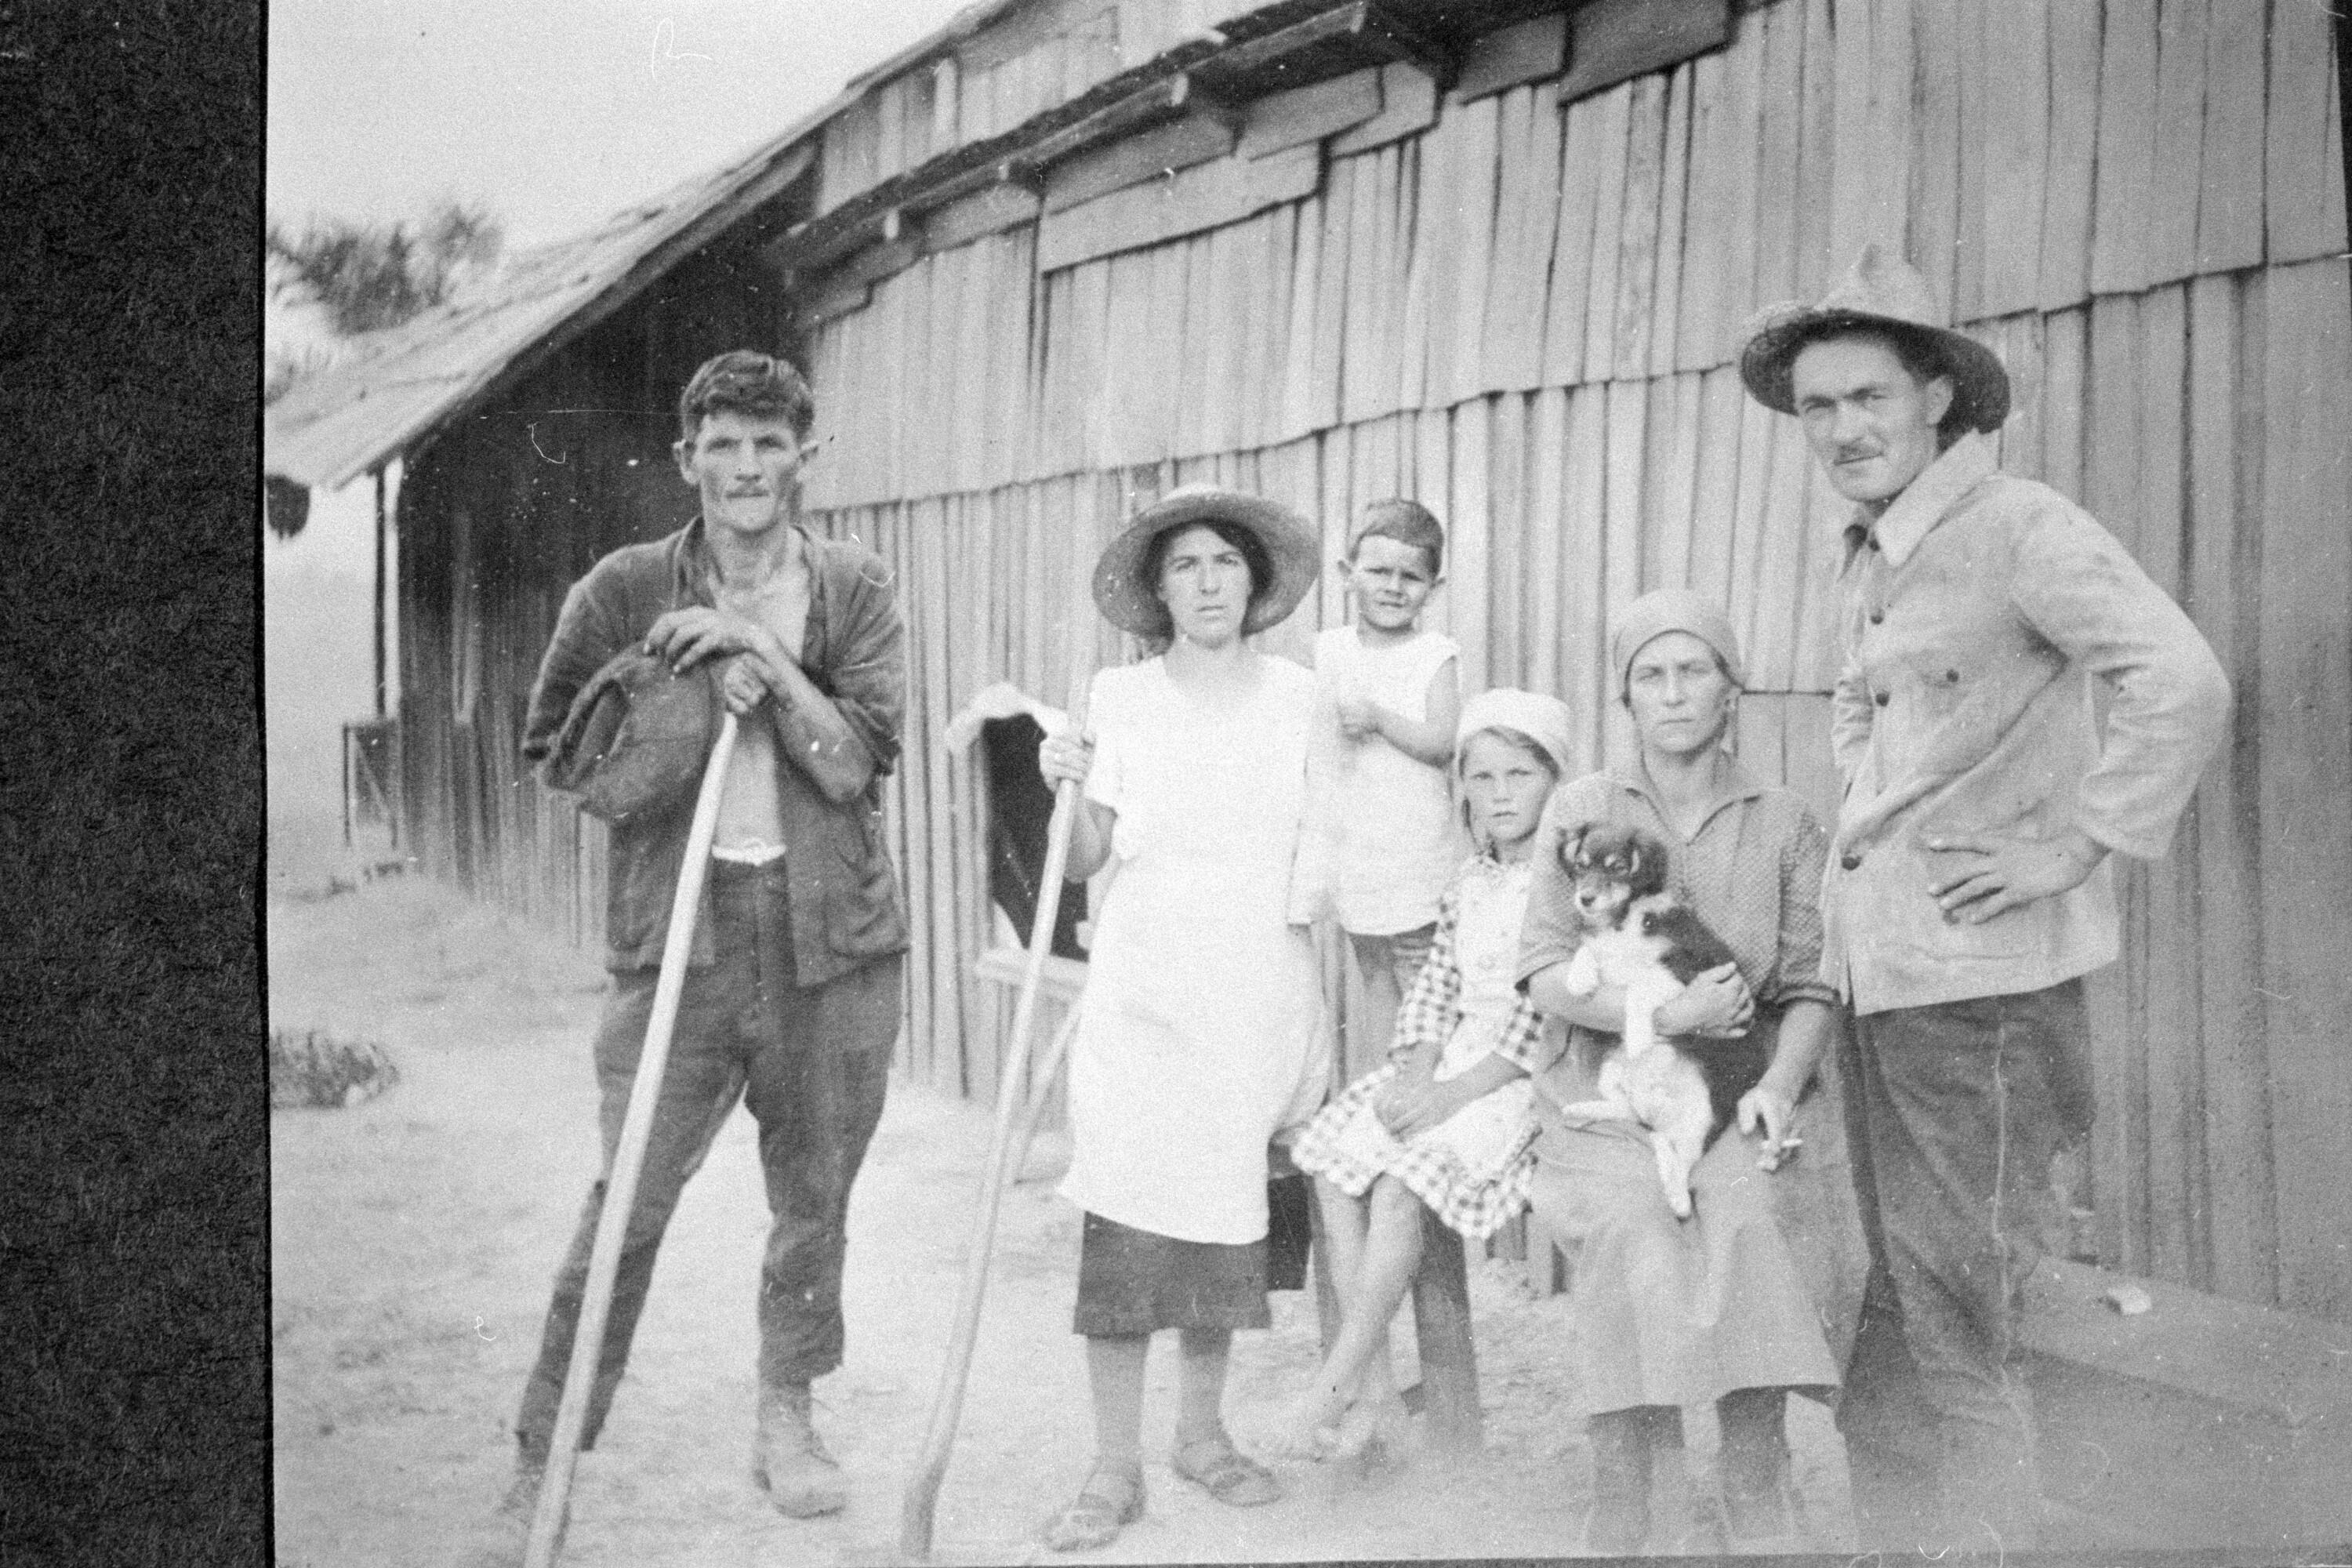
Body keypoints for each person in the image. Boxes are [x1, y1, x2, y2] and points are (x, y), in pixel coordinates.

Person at [1740, 245, 2231, 1548]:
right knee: (1900, 1298)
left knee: (1967, 1317)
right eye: (1818, 407)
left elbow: (2181, 680)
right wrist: (1879, 836)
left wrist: (2075, 843)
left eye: (1869, 398)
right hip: (1889, 976)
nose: (1842, 429)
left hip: (1987, 999)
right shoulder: (1875, 549)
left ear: (1937, 399)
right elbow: (1863, 709)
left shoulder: (2022, 527)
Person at [506, 350, 909, 1520]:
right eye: (722, 444)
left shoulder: (854, 588)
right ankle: (544, 1453)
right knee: (627, 1201)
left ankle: (788, 1419)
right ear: (687, 459)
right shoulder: (624, 587)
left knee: (814, 1198)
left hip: (829, 938)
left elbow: (854, 763)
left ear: (804, 458)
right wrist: (675, 686)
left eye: (769, 443)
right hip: (680, 943)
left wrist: (764, 660)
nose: (746, 466)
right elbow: (554, 750)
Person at [1516, 591, 1867, 1555]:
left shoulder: (1784, 819)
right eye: (1650, 676)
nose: (1672, 693)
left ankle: (1753, 1468)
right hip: (1605, 1086)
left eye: (1693, 671)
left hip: (1733, 1085)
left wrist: (1778, 1086)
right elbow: (1543, 967)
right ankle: (1629, 1476)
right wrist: (1667, 1016)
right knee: (1632, 1219)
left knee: (1751, 1212)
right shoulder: (1583, 810)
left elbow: (1811, 983)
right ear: (1626, 697)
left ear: (1730, 689)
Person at [1033, 485, 1334, 1552]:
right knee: (1129, 1213)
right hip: (1147, 991)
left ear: (1255, 581)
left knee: (1225, 1216)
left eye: (1225, 562)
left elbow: (1328, 836)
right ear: (1158, 590)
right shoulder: (1119, 696)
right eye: (1185, 565)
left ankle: (1202, 1435)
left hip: (1254, 984)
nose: (1208, 582)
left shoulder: (1300, 697)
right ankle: (1114, 1463)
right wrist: (1062, 784)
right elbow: (1085, 858)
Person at [1285, 689, 1573, 1463]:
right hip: (1450, 1061)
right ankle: (1378, 1390)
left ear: (1555, 782)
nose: (1500, 794)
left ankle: (1334, 1385)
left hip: (1519, 1079)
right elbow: (1437, 989)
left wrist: (1447, 1094)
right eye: (1482, 777)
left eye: (1520, 775)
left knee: (1399, 1185)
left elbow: (1541, 1021)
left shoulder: (1564, 886)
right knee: (1332, 1164)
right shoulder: (1469, 881)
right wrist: (1414, 1069)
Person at [1293, 500, 1465, 1075]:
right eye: (1378, 571)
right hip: (1354, 849)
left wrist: (1381, 719)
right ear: (1348, 575)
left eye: (1410, 576)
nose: (1393, 587)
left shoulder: (1433, 656)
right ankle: (1379, 1089)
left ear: (1433, 588)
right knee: (1373, 972)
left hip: (1413, 849)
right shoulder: (1329, 651)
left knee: (1423, 977)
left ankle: (1423, 1085)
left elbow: (1443, 741)